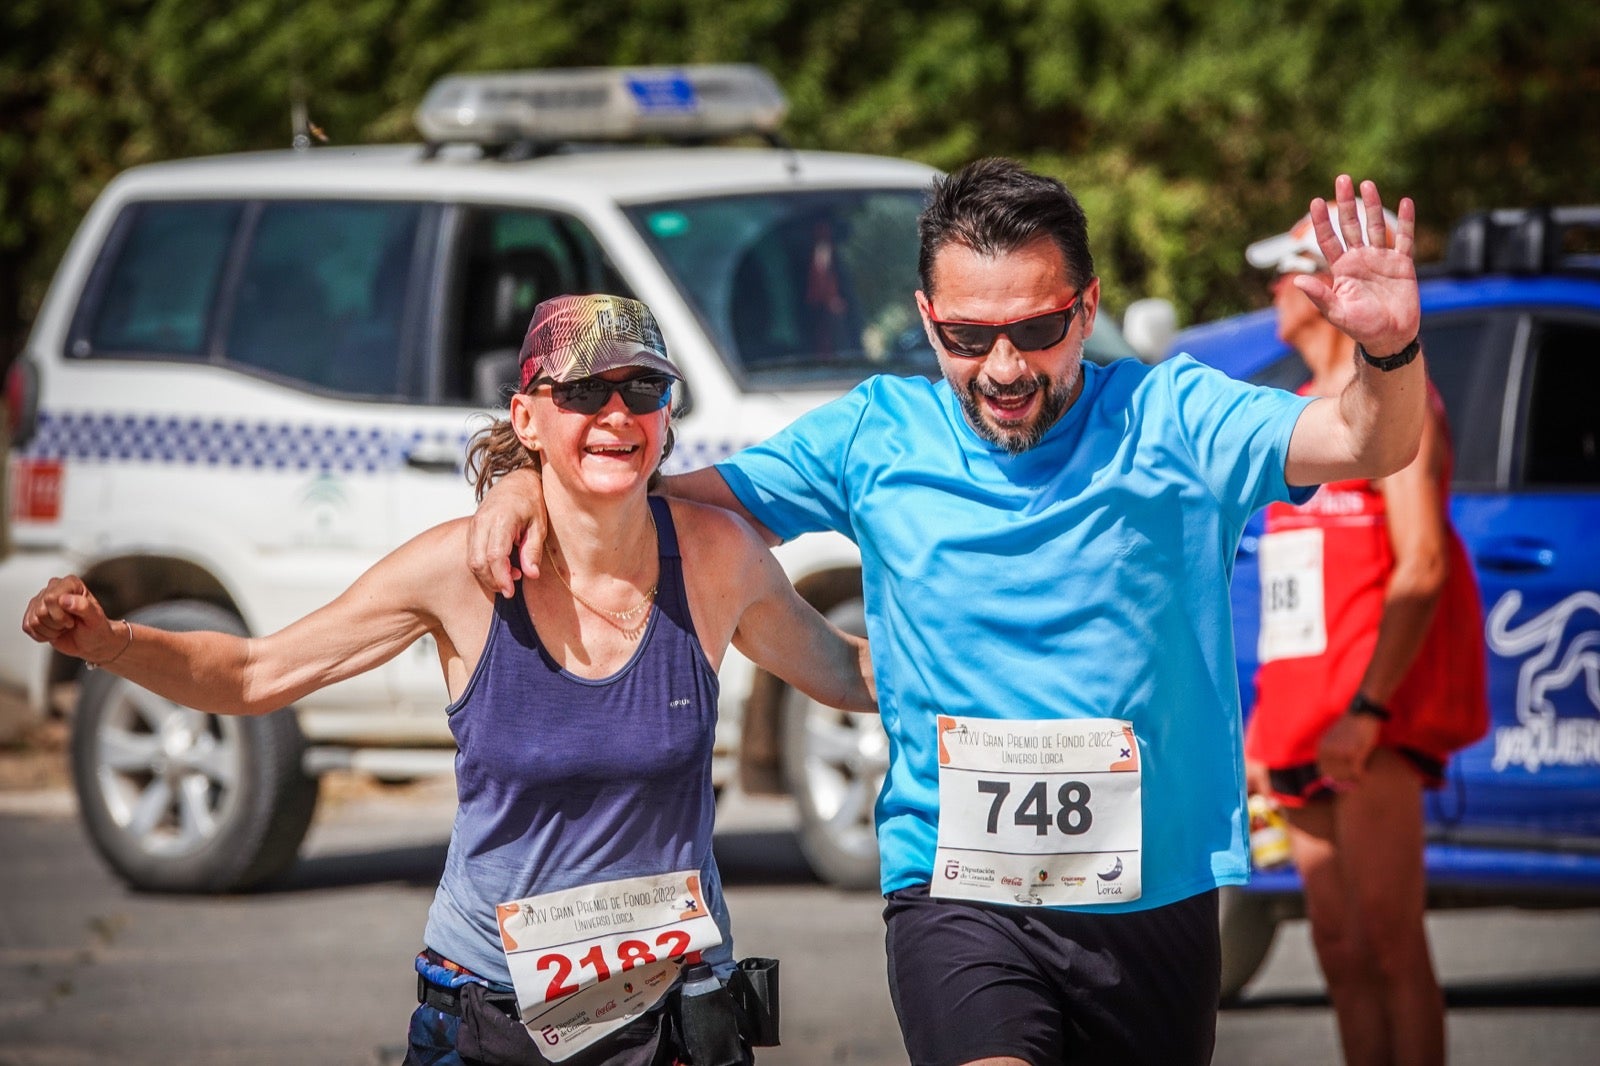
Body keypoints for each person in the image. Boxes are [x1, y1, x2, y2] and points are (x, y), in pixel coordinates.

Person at [468, 160, 1425, 1066]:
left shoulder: (1176, 416)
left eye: (1038, 331)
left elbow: (1362, 437)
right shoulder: (879, 433)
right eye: (968, 338)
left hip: (1153, 895)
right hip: (956, 891)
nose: (1004, 367)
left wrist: (1388, 346)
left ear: (1087, 308)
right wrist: (520, 478)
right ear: (928, 321)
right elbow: (663, 503)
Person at [21, 294, 876, 1066]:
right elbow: (254, 673)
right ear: (528, 418)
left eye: (643, 392)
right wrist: (110, 639)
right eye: (584, 392)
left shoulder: (716, 557)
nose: (617, 414)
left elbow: (842, 669)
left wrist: (990, 658)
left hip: (674, 1017)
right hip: (492, 1012)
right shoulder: (461, 571)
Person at [1243, 211, 1488, 1066]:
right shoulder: (1294, 418)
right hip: (1301, 723)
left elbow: (1420, 565)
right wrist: (1266, 720)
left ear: (1318, 284)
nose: (1273, 292)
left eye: (1281, 274)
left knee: (1390, 943)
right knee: (1340, 953)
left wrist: (1368, 708)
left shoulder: (1391, 403)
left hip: (1366, 725)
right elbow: (1290, 590)